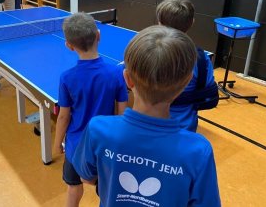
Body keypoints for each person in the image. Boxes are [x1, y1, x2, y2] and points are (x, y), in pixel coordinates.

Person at [72, 25, 221, 207]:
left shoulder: (98, 129)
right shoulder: (199, 151)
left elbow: (85, 177)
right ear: (186, 83)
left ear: (127, 79)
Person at [53, 13, 128, 207]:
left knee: (73, 187)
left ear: (69, 45)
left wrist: (56, 144)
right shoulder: (116, 73)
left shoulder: (67, 78)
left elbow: (63, 117)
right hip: (105, 146)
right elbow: (122, 114)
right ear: (99, 35)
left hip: (75, 147)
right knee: (106, 190)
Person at [156, 0, 216, 132]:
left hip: (151, 124)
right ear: (192, 22)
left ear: (159, 23)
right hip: (185, 126)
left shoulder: (147, 51)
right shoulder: (201, 58)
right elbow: (209, 92)